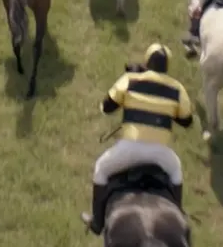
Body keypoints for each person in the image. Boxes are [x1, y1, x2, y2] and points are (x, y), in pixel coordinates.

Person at [82, 43, 194, 235]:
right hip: (160, 153)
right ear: (167, 66)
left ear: (146, 62)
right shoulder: (177, 88)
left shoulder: (130, 79)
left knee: (100, 169)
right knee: (176, 172)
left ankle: (97, 222)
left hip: (129, 148)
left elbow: (107, 106)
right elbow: (186, 121)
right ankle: (178, 220)